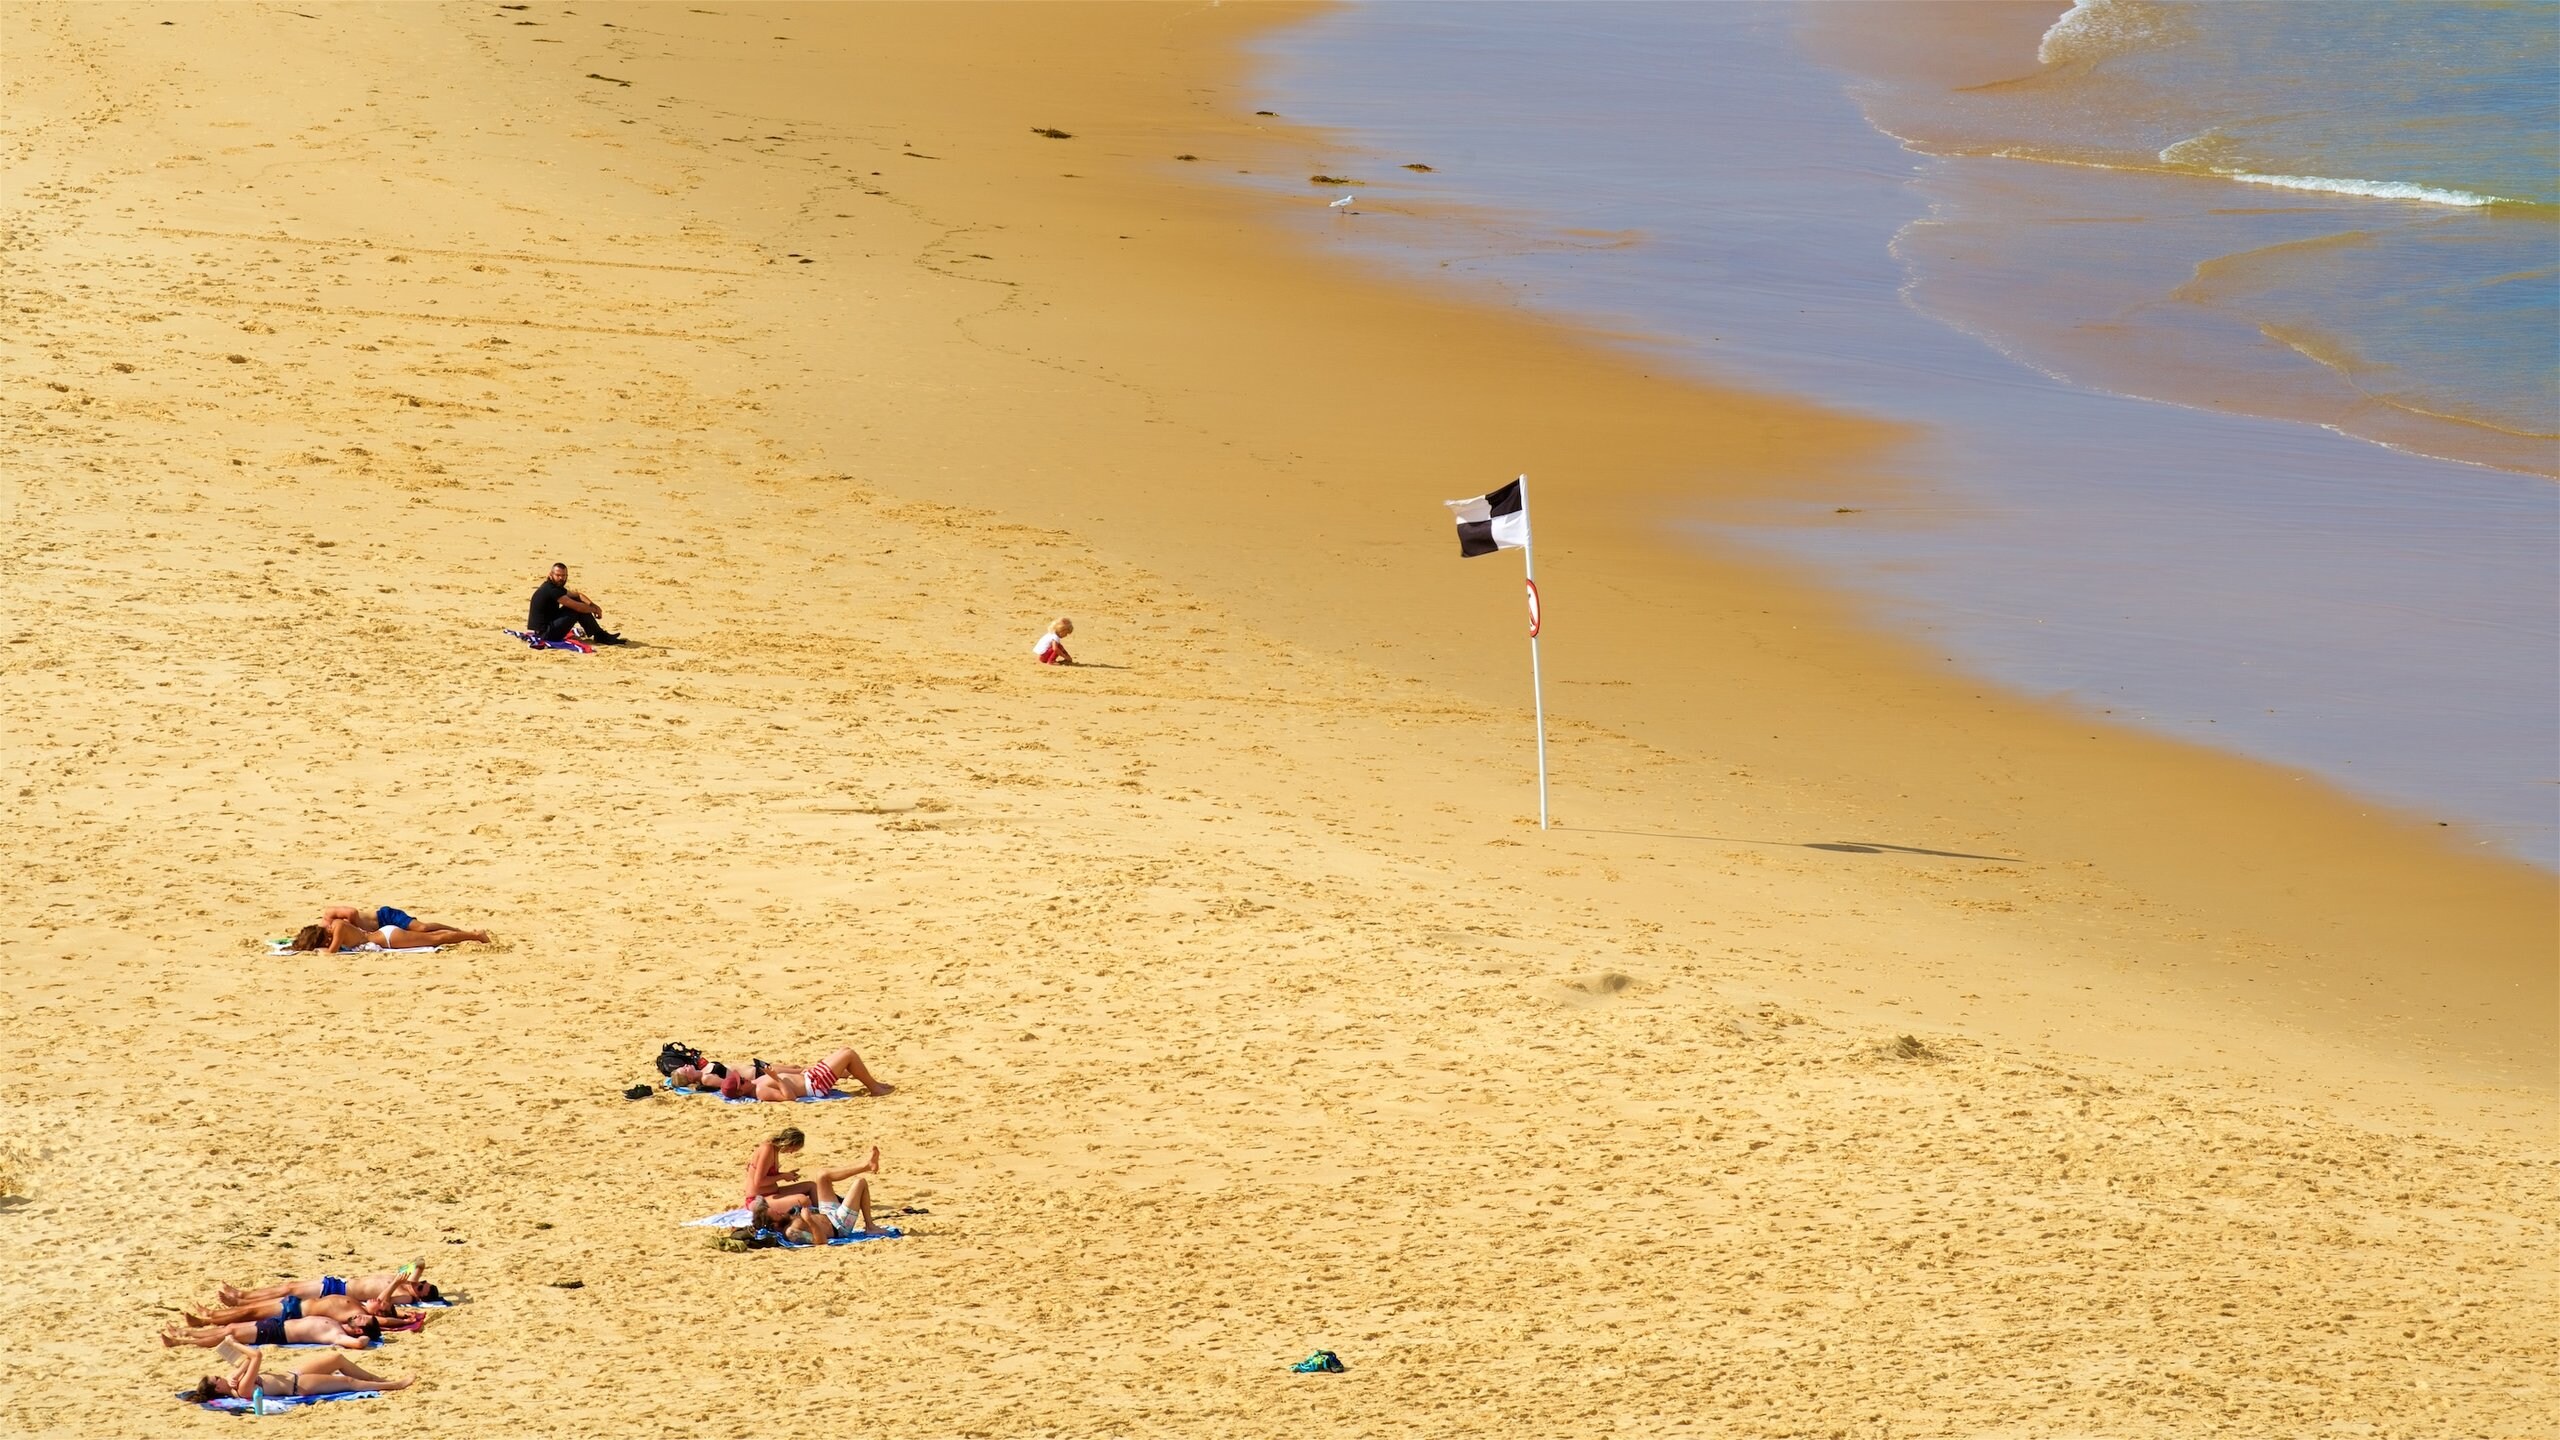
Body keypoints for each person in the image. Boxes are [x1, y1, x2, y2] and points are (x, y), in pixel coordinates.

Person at [185, 1338, 412, 1405]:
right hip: (298, 1385)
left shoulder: (237, 1383)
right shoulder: (243, 1389)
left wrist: (238, 1370)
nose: (221, 1376)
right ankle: (394, 1385)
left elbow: (248, 1362)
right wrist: (233, 1343)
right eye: (218, 1378)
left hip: (293, 1373)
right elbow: (256, 1356)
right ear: (217, 1387)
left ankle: (377, 1379)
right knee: (348, 1381)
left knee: (336, 1358)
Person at [749, 1145, 884, 1242]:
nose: (780, 1212)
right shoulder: (792, 1232)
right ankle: (870, 1226)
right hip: (839, 1225)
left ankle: (867, 1165)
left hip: (827, 1213)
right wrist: (809, 1220)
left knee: (822, 1175)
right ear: (774, 1225)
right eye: (777, 1214)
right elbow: (821, 1241)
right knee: (860, 1183)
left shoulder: (787, 1220)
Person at [218, 1265, 438, 1309]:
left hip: (340, 1292)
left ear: (419, 1297)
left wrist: (395, 1284)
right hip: (340, 1282)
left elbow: (381, 1301)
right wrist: (414, 1274)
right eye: (423, 1283)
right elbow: (420, 1262)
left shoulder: (405, 1295)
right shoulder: (409, 1282)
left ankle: (240, 1301)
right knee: (290, 1286)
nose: (420, 1284)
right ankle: (243, 1295)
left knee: (289, 1293)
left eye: (421, 1288)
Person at [289, 913, 490, 953]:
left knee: (434, 939)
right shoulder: (337, 929)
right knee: (432, 938)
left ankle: (475, 935)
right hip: (386, 936)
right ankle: (470, 934)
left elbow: (331, 951)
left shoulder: (338, 927)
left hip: (388, 938)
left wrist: (318, 952)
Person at [529, 562, 624, 646]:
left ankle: (600, 635)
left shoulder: (554, 586)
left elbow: (578, 595)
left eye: (564, 575)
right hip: (545, 633)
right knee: (577, 609)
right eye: (558, 575)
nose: (561, 578)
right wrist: (594, 610)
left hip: (549, 626)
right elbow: (577, 607)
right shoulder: (551, 590)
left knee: (577, 601)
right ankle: (600, 636)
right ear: (550, 575)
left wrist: (593, 605)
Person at [163, 1315, 381, 1350]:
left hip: (277, 1333)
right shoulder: (338, 1325)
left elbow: (359, 1344)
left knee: (230, 1336)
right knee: (229, 1328)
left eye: (362, 1319)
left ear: (360, 1329)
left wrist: (364, 1338)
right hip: (278, 1325)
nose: (358, 1315)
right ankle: (184, 1333)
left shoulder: (338, 1335)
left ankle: (181, 1343)